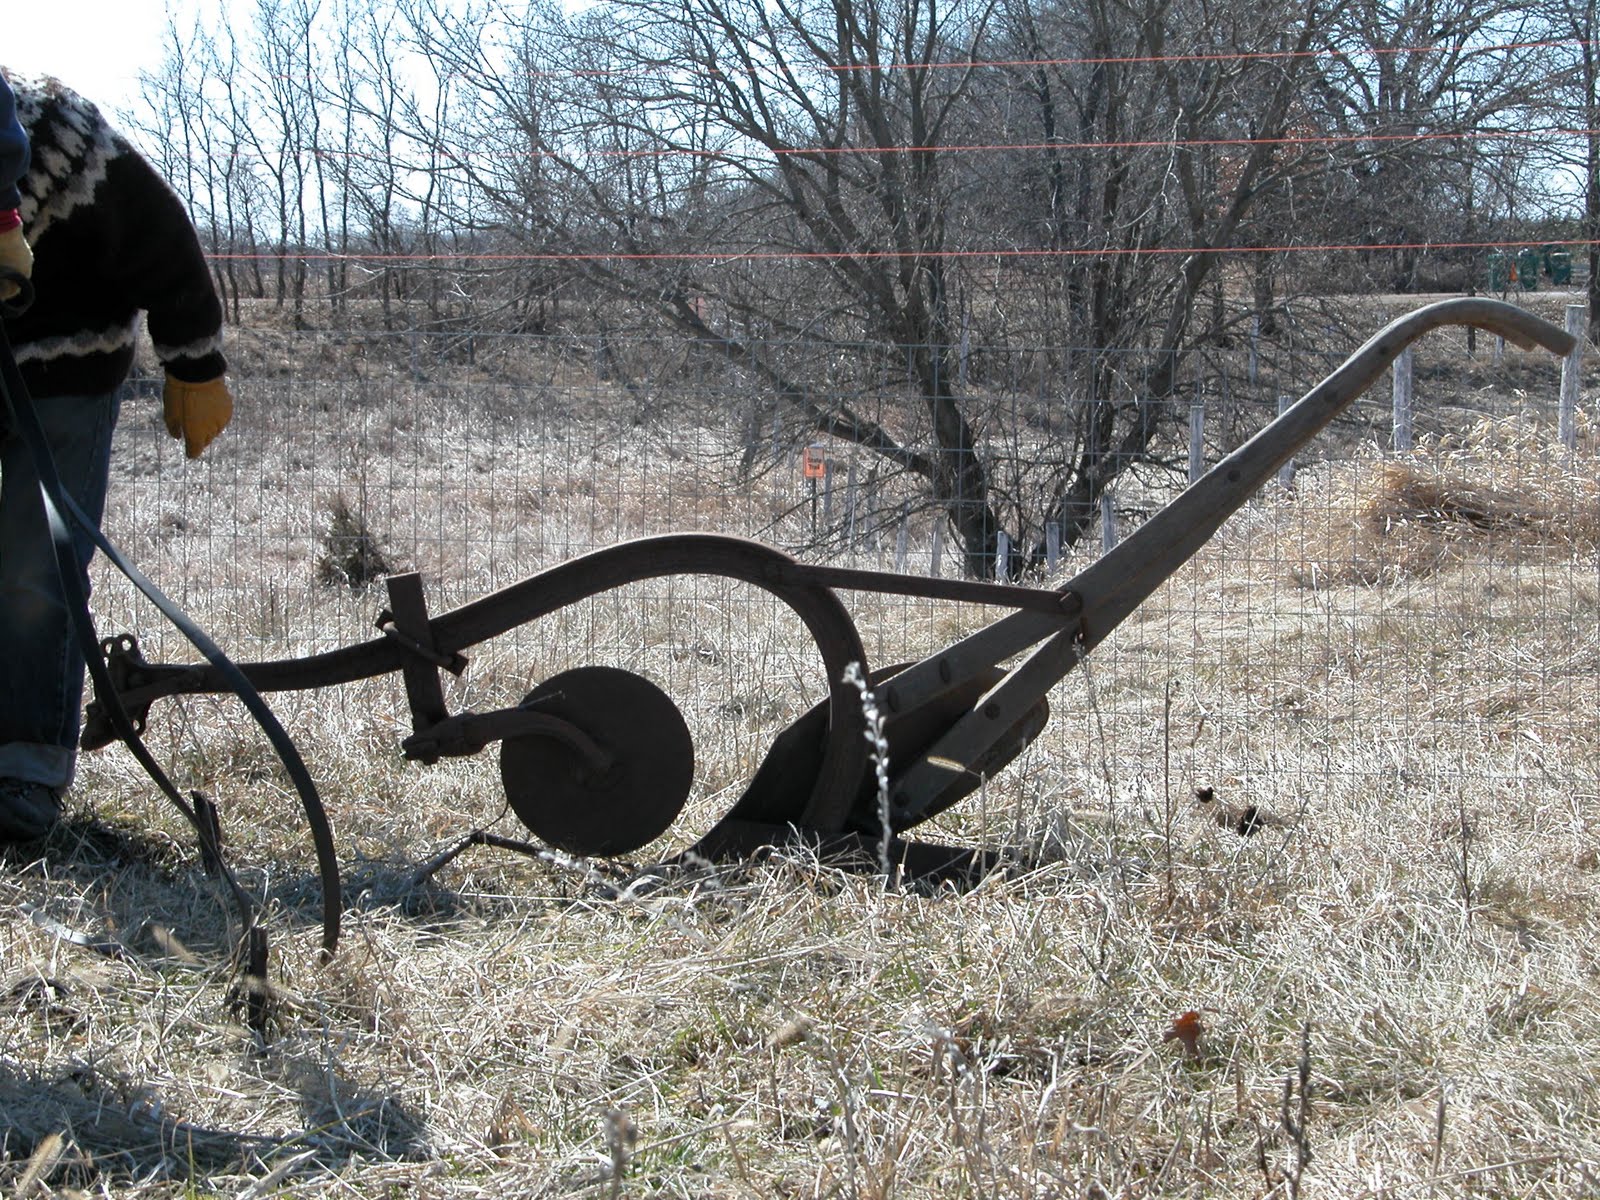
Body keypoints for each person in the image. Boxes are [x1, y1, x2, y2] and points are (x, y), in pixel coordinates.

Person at [0, 71, 234, 841]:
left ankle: (26, 776)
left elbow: (162, 243)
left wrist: (194, 362)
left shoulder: (69, 144)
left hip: (67, 371)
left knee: (38, 573)